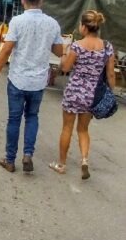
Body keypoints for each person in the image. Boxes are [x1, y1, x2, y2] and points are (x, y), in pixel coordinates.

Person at [0, 0, 64, 173]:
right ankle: (28, 154)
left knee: (14, 119)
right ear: (41, 0)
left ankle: (10, 160)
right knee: (32, 117)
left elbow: (6, 50)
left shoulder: (17, 21)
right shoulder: (52, 23)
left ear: (22, 0)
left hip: (18, 78)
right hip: (38, 81)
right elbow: (59, 51)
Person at [49, 11, 116, 179]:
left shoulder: (77, 46)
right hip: (92, 94)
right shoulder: (107, 47)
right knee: (83, 130)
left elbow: (65, 68)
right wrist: (110, 93)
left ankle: (61, 164)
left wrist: (64, 52)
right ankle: (84, 160)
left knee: (67, 128)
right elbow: (111, 75)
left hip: (74, 92)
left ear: (84, 27)